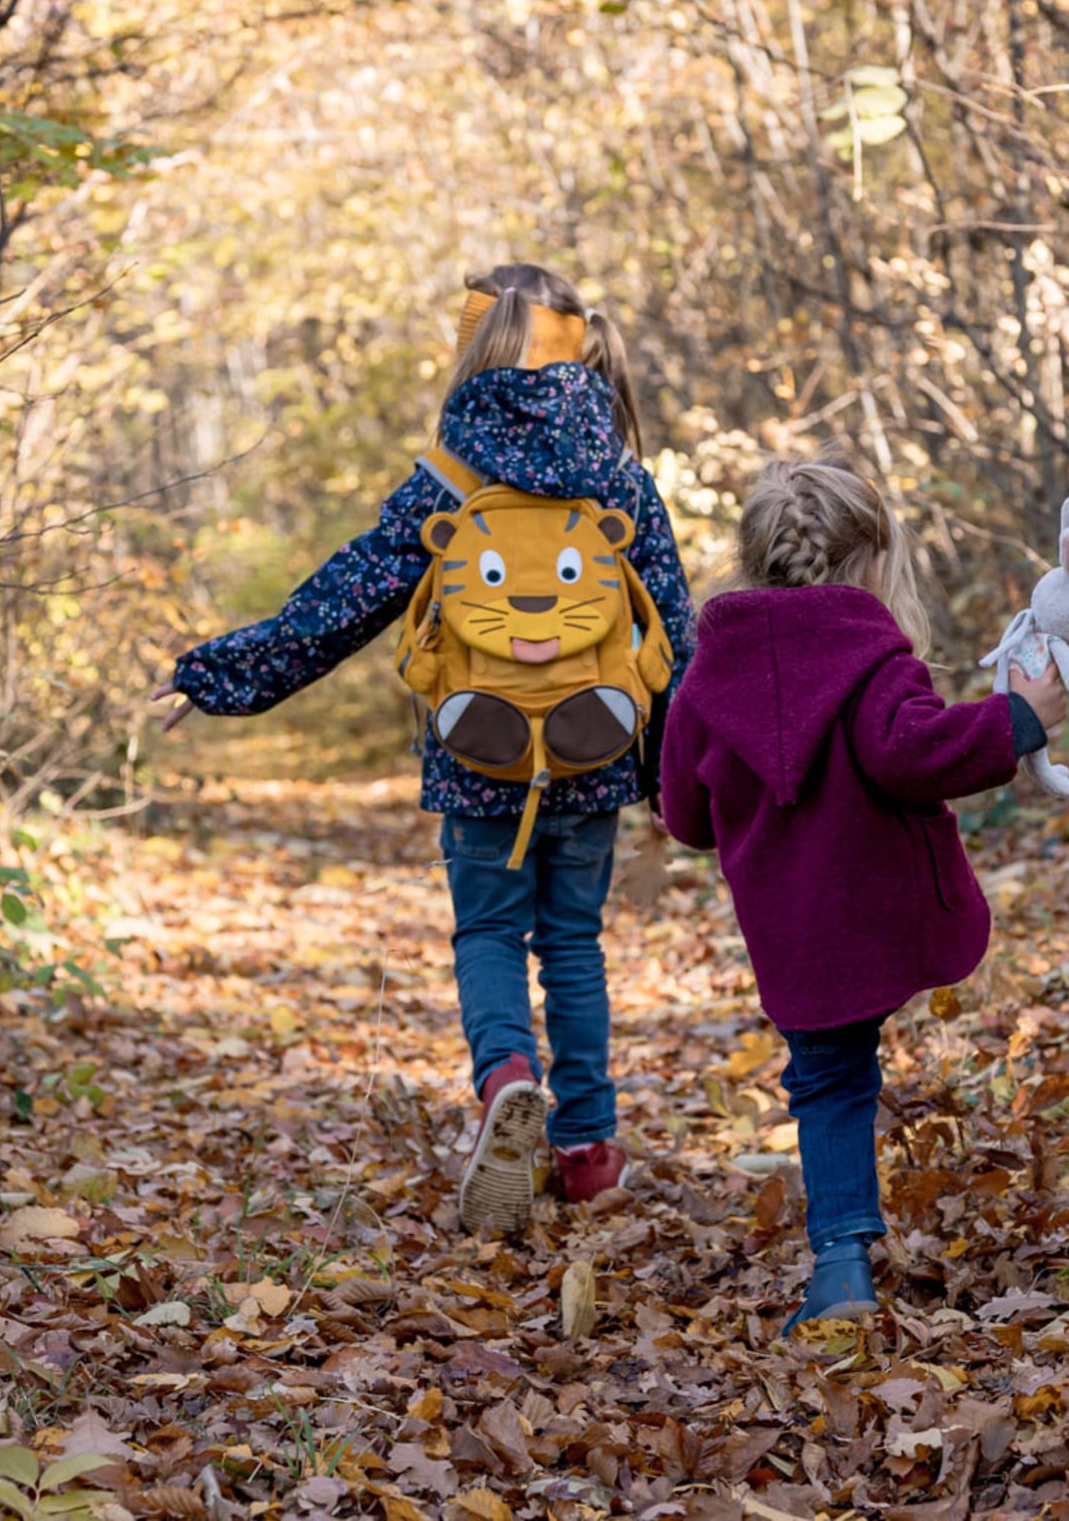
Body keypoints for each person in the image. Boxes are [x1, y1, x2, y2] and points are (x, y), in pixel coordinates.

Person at [153, 264, 695, 1236]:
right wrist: (673, 778)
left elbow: (339, 602)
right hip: (595, 750)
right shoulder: (619, 474)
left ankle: (506, 1076)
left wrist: (218, 674)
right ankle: (590, 1148)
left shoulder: (450, 473)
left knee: (489, 932)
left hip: (474, 752)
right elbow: (671, 632)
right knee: (574, 941)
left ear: (475, 350)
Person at [659, 449, 1068, 1331]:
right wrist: (1021, 717)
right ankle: (850, 1247)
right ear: (873, 560)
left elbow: (685, 813)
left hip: (790, 929)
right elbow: (913, 752)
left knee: (828, 1077)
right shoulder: (872, 660)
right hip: (877, 911)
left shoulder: (703, 678)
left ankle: (840, 1261)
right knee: (847, 1062)